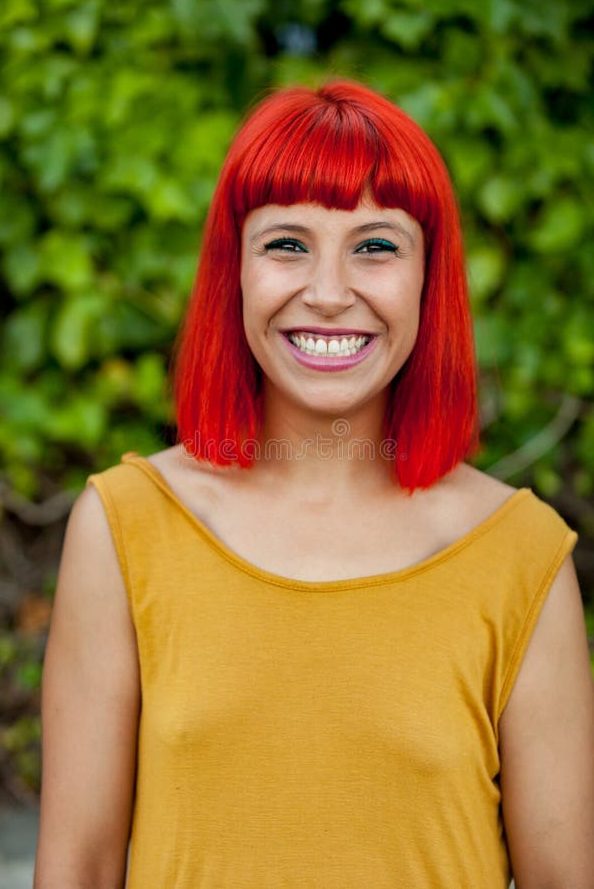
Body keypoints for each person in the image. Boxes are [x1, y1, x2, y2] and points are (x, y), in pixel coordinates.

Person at [34, 80, 594, 888]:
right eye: (288, 244)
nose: (329, 294)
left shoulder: (521, 554)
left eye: (376, 246)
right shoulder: (125, 528)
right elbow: (79, 869)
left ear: (430, 280)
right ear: (235, 270)